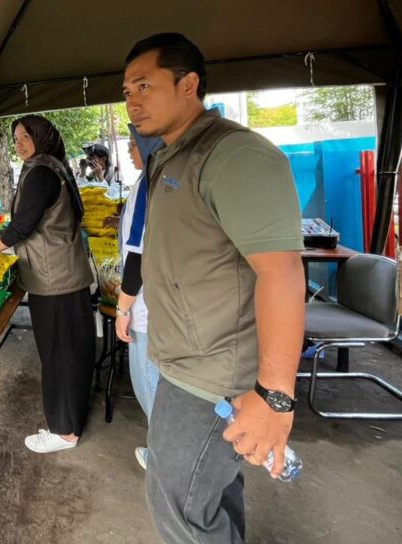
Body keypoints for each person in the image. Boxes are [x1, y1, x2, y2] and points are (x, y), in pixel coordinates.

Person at [123, 33, 304, 543]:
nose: (132, 101)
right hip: (183, 361)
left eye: (144, 86)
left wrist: (274, 397)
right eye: (127, 91)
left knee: (178, 504)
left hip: (214, 376)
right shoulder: (171, 156)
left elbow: (283, 274)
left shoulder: (234, 155)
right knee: (210, 493)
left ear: (189, 85)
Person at [0, 115, 94, 453]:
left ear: (42, 136)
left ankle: (64, 432)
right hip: (65, 274)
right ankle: (70, 422)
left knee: (59, 354)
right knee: (69, 351)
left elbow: (22, 226)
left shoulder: (41, 172)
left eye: (26, 136)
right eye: (16, 138)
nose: (19, 143)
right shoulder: (53, 166)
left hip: (53, 279)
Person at [113, 126, 163, 470]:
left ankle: (163, 460)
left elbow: (137, 255)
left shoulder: (148, 185)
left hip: (146, 309)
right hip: (169, 305)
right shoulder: (166, 179)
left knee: (151, 386)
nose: (131, 151)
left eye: (134, 145)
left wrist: (123, 308)